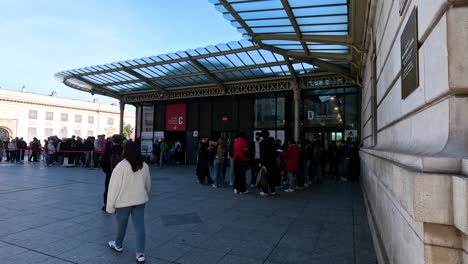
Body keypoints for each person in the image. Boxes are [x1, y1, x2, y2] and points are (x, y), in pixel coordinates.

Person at [106, 141, 150, 264]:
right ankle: (140, 253)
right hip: (140, 200)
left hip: (123, 202)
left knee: (121, 226)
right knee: (140, 227)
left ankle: (118, 245)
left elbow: (113, 188)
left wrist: (110, 207)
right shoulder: (144, 165)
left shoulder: (121, 166)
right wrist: (144, 193)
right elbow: (147, 185)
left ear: (125, 150)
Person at [101, 134, 124, 210]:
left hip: (110, 174)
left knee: (108, 189)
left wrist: (107, 171)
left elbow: (102, 161)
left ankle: (107, 205)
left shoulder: (109, 150)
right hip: (122, 174)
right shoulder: (124, 150)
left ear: (113, 141)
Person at [259, 130, 277, 196]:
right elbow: (275, 152)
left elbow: (262, 154)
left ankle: (265, 191)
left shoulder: (262, 143)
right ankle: (273, 190)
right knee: (272, 176)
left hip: (265, 162)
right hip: (272, 162)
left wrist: (262, 163)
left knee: (264, 177)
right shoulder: (272, 142)